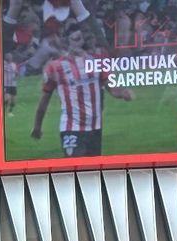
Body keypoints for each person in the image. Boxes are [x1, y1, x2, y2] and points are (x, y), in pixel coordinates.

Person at [31, 23, 134, 158]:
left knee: (94, 172)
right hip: (71, 128)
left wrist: (123, 93)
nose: (79, 43)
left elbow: (113, 89)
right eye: (75, 39)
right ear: (67, 42)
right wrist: (37, 127)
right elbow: (44, 100)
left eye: (80, 39)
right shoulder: (56, 67)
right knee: (77, 170)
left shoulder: (97, 63)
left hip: (95, 128)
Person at [3, 53, 19, 117]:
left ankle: (10, 111)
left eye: (10, 57)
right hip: (6, 84)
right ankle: (4, 110)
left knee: (13, 101)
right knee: (7, 98)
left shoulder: (13, 65)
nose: (10, 58)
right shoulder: (3, 64)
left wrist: (16, 73)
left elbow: (16, 72)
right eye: (8, 57)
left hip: (13, 84)